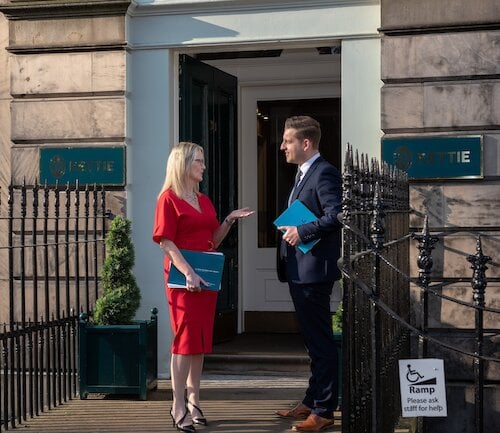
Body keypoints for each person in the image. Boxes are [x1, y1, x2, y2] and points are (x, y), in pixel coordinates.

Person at [152, 141, 254, 433]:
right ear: (183, 164)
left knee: (198, 341)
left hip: (205, 276)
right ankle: (177, 405)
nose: (204, 166)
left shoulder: (203, 200)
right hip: (183, 278)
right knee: (184, 341)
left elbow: (213, 241)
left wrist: (228, 221)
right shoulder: (168, 199)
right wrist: (188, 273)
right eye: (199, 161)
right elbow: (165, 241)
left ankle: (195, 399)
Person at [275, 116, 342, 432]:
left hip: (314, 271)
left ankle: (325, 409)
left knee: (320, 341)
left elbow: (337, 215)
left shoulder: (324, 172)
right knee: (312, 340)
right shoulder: (303, 174)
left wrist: (302, 232)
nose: (282, 146)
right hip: (300, 269)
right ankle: (312, 400)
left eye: (288, 141)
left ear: (305, 143)